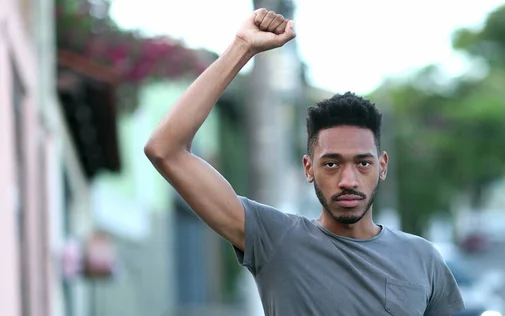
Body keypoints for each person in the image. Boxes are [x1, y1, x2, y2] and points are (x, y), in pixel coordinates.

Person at [144, 8, 465, 316]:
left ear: (382, 165)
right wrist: (242, 48)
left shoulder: (423, 258)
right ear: (308, 168)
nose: (348, 180)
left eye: (363, 163)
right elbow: (165, 150)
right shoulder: (275, 239)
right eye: (331, 164)